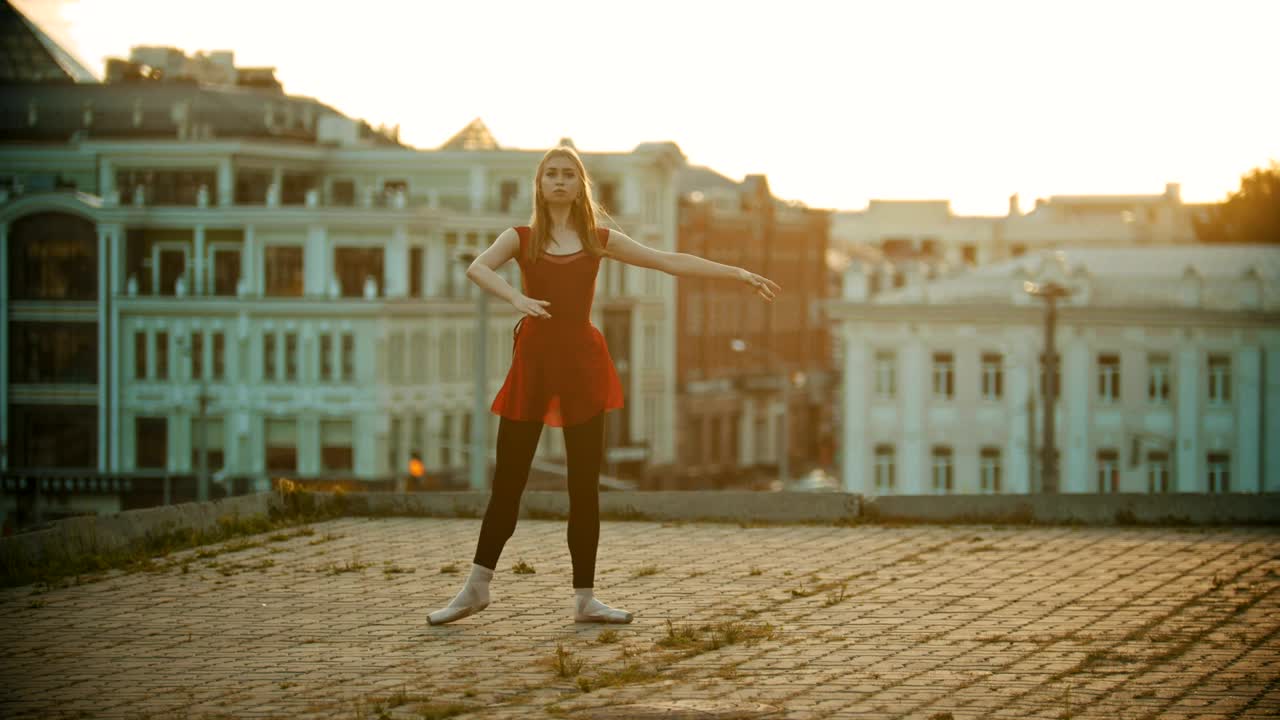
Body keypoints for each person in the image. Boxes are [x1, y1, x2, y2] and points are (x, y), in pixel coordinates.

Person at [427, 145, 780, 626]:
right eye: (550, 174)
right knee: (507, 483)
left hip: (581, 365)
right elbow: (478, 267)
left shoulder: (597, 238)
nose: (558, 181)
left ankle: (584, 599)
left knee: (583, 487)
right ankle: (476, 588)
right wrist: (516, 296)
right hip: (533, 365)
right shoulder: (521, 237)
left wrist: (735, 272)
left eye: (567, 174)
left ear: (579, 186)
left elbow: (666, 260)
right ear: (540, 183)